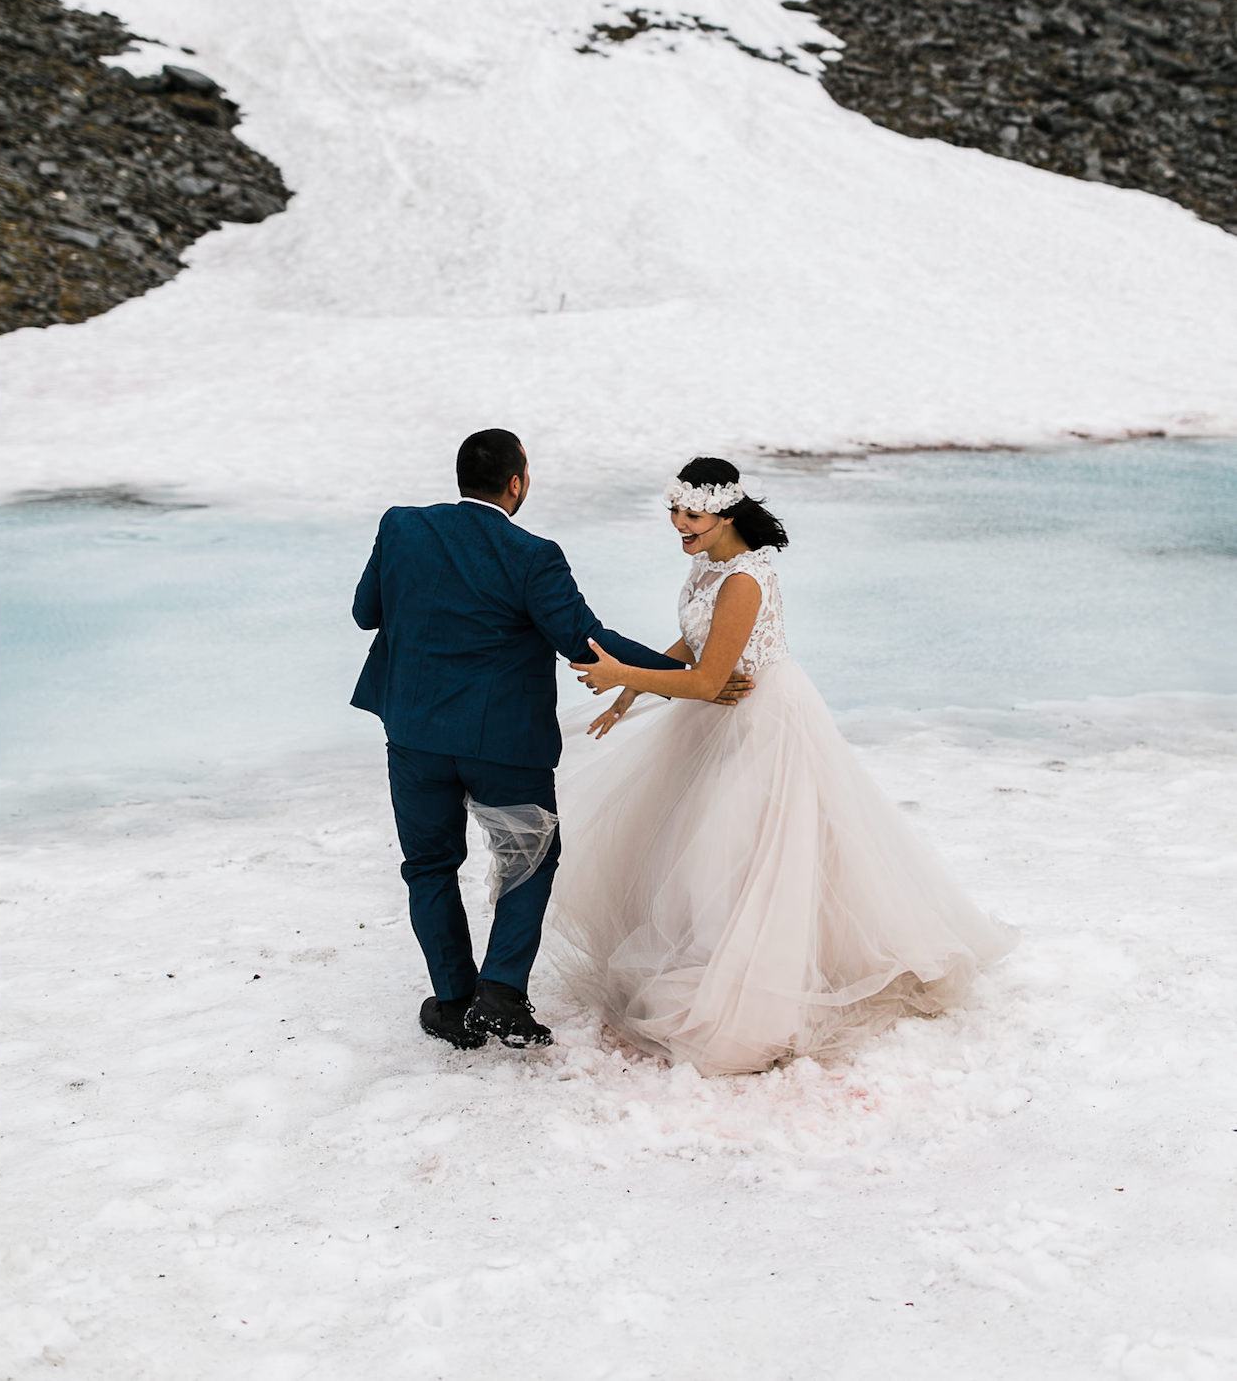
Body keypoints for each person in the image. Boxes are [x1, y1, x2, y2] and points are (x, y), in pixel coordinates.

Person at [558, 458, 1014, 1074]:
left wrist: (621, 672)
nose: (678, 525)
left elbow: (712, 678)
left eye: (691, 515)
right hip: (714, 720)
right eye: (674, 510)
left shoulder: (744, 580)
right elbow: (693, 645)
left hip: (759, 721)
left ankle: (753, 984)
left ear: (724, 513)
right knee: (697, 850)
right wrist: (633, 692)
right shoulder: (707, 563)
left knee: (740, 852)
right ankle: (711, 955)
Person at [351, 428, 726, 1051]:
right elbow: (586, 643)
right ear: (517, 483)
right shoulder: (532, 555)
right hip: (504, 743)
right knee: (528, 861)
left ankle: (452, 1002)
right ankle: (499, 991)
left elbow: (367, 613)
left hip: (414, 734)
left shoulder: (400, 527)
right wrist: (692, 680)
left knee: (429, 867)